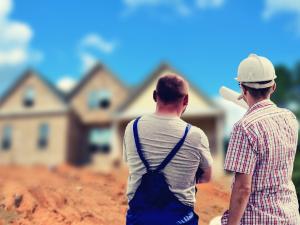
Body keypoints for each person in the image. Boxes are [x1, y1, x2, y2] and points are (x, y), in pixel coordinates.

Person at [123, 74, 213, 225]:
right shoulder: (195, 135)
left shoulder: (132, 127)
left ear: (155, 96)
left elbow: (131, 165)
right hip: (180, 220)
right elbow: (207, 177)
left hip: (139, 219)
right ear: (186, 100)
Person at [221, 54, 300, 225]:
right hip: (289, 216)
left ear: (242, 88)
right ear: (274, 86)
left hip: (258, 219)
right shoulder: (290, 118)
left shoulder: (244, 127)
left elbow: (243, 189)